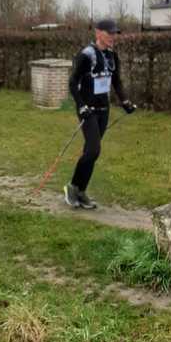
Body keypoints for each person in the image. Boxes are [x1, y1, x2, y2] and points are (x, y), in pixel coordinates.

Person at [64, 18, 136, 209]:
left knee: (91, 152)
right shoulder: (86, 55)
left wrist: (125, 101)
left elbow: (116, 81)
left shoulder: (112, 56)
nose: (112, 36)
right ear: (98, 33)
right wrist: (81, 106)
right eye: (109, 33)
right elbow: (72, 83)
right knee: (94, 149)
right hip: (88, 111)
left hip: (104, 110)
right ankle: (72, 188)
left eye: (114, 33)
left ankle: (81, 192)